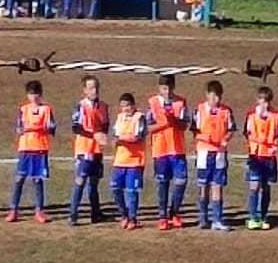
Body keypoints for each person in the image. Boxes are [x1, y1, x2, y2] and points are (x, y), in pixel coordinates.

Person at [7, 79, 55, 223]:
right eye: (31, 94)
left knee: (37, 179)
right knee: (19, 178)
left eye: (36, 94)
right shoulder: (23, 109)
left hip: (40, 148)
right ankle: (13, 210)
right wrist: (27, 129)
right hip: (25, 147)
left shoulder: (46, 109)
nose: (33, 97)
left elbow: (51, 128)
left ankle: (39, 210)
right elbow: (19, 128)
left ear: (40, 95)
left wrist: (36, 128)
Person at [147, 74, 191, 230]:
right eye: (164, 89)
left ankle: (175, 212)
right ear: (159, 88)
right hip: (160, 149)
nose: (167, 92)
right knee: (162, 183)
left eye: (170, 88)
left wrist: (174, 121)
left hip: (177, 148)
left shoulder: (181, 102)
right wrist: (165, 123)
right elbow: (148, 127)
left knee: (181, 181)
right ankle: (162, 216)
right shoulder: (152, 103)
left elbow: (184, 125)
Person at [194, 79, 235, 232]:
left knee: (217, 186)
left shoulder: (226, 111)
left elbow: (231, 130)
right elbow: (194, 131)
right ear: (207, 96)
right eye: (211, 97)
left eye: (216, 97)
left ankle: (217, 219)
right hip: (204, 152)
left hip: (219, 154)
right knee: (203, 186)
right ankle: (203, 218)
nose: (214, 100)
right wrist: (205, 138)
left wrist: (225, 139)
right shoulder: (200, 110)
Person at [69, 76, 110, 226]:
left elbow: (105, 125)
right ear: (85, 90)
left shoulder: (104, 106)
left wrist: (102, 136)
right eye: (91, 88)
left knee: (94, 182)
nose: (94, 90)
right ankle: (73, 214)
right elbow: (76, 127)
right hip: (84, 149)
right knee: (80, 180)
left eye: (96, 87)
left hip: (97, 149)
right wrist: (94, 135)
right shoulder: (80, 106)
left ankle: (96, 213)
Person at [244, 85, 278, 230]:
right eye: (261, 100)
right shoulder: (252, 116)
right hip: (256, 154)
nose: (264, 104)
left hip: (269, 155)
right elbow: (247, 133)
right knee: (254, 185)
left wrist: (274, 145)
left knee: (266, 187)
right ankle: (253, 217)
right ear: (257, 100)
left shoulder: (276, 116)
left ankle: (264, 216)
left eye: (266, 101)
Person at [110, 93, 148, 230]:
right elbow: (114, 135)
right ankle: (124, 215)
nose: (125, 109)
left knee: (132, 192)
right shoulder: (119, 118)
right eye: (123, 106)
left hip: (135, 161)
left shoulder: (140, 118)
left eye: (127, 106)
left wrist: (121, 139)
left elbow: (138, 137)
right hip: (120, 160)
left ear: (133, 106)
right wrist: (121, 138)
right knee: (115, 188)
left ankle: (132, 218)